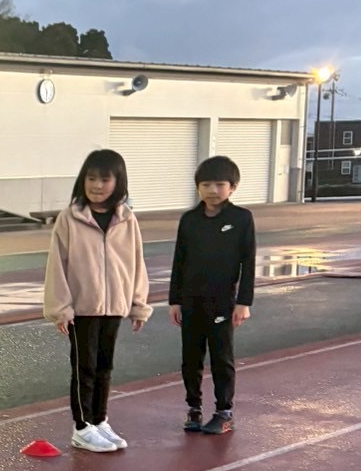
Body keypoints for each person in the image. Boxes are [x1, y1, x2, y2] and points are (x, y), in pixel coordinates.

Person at [43, 149, 152, 453]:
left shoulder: (127, 219)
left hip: (115, 305)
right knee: (85, 368)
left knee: (105, 366)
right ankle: (82, 427)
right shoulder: (70, 218)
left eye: (105, 179)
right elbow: (57, 265)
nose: (97, 185)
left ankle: (99, 419)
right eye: (91, 178)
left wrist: (138, 304)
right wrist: (61, 308)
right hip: (82, 308)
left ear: (118, 182)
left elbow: (136, 262)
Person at [168, 156, 255, 434]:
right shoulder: (189, 220)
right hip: (191, 301)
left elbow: (248, 262)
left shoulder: (241, 219)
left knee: (221, 357)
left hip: (223, 302)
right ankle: (193, 408)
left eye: (219, 184)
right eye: (206, 185)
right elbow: (179, 261)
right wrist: (174, 300)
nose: (212, 190)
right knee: (191, 358)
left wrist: (243, 302)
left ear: (233, 187)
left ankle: (224, 412)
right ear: (198, 187)